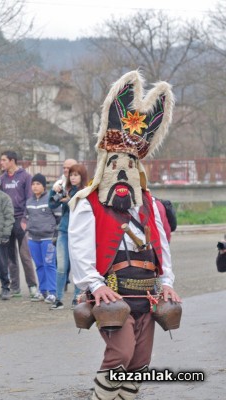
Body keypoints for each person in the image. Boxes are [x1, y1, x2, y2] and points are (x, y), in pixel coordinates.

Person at [68, 71, 181, 399]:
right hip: (112, 295)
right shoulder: (87, 202)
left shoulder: (151, 203)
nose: (124, 169)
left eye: (131, 163)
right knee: (121, 353)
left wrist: (168, 283)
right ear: (106, 163)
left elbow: (162, 246)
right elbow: (79, 249)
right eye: (117, 162)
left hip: (147, 294)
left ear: (139, 169)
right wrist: (94, 284)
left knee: (140, 361)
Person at [0, 151, 42, 300]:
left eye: (4, 160)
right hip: (7, 221)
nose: (1, 163)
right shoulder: (2, 179)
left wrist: (24, 220)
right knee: (10, 257)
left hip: (21, 221)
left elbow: (29, 200)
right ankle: (15, 287)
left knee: (25, 255)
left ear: (12, 161)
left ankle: (32, 286)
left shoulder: (25, 177)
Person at [49, 164, 88, 310]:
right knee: (61, 266)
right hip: (64, 231)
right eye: (71, 175)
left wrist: (70, 199)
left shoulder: (86, 191)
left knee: (77, 265)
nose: (73, 177)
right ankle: (58, 299)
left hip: (79, 233)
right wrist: (53, 192)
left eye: (76, 175)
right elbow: (51, 205)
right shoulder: (65, 189)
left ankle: (77, 298)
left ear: (82, 176)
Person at [23, 173, 59, 304]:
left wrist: (56, 235)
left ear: (44, 186)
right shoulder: (29, 201)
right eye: (33, 184)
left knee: (49, 264)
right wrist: (26, 229)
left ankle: (53, 292)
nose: (35, 186)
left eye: (38, 184)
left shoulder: (51, 199)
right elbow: (25, 217)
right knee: (39, 265)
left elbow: (58, 217)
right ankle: (42, 291)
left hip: (48, 238)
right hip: (33, 239)